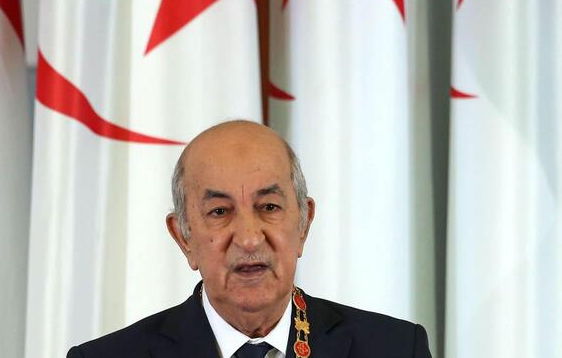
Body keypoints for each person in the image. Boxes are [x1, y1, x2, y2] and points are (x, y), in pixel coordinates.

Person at [67, 120, 431, 358]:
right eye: (219, 212)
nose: (249, 238)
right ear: (184, 237)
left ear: (303, 224)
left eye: (269, 206)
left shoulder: (396, 348)